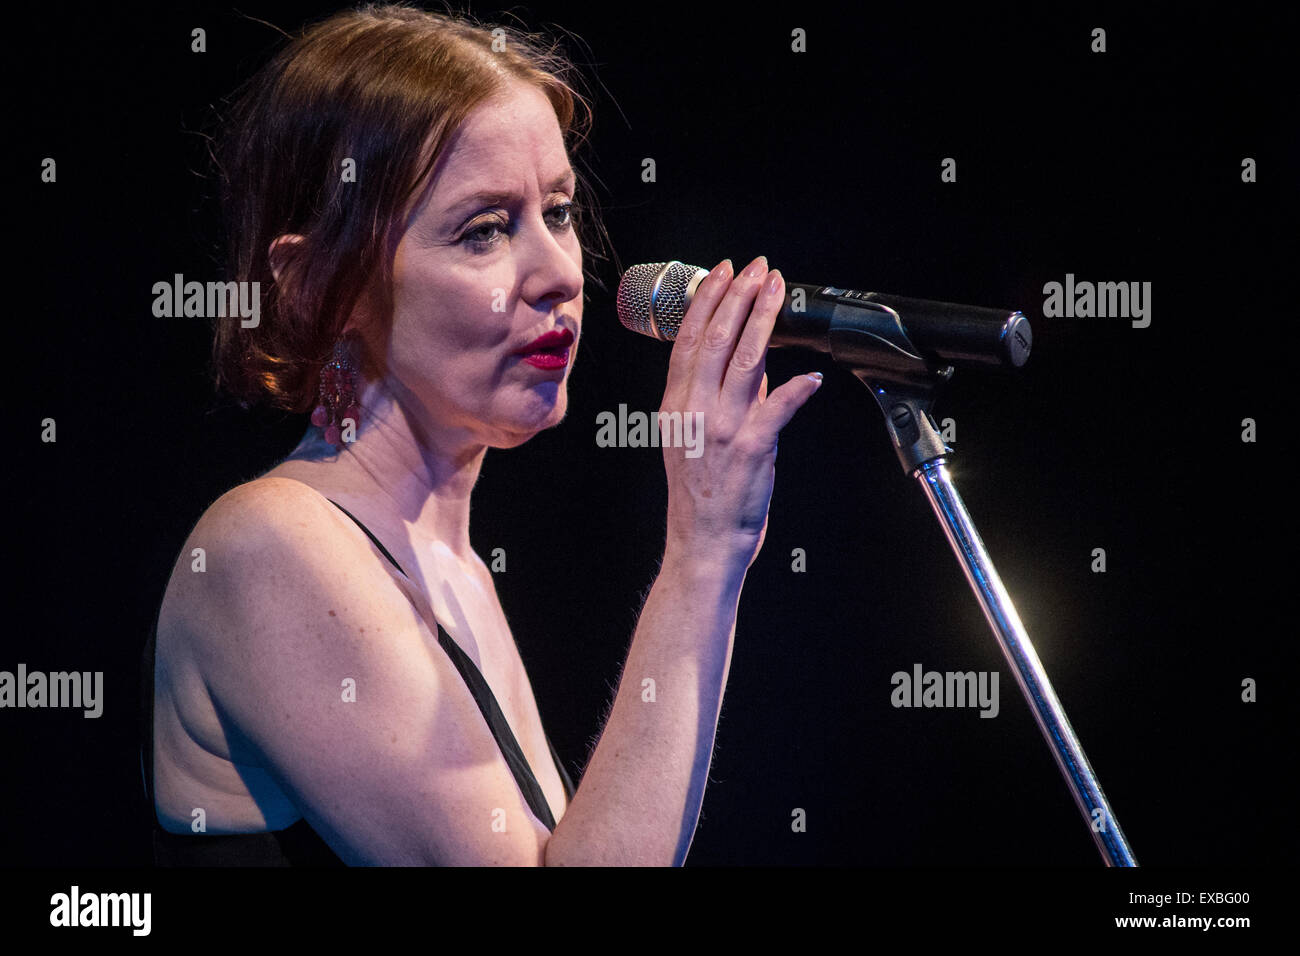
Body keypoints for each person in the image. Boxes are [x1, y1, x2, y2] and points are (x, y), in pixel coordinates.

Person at [142, 3, 822, 866]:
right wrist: (701, 553)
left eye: (561, 212)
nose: (557, 273)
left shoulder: (450, 565)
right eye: (485, 230)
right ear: (321, 286)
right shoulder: (270, 547)